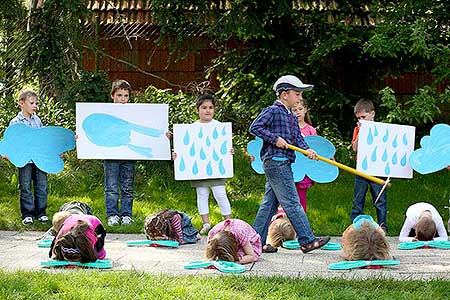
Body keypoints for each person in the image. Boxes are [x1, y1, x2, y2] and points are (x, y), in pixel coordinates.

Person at [249, 75, 330, 253]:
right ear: (285, 94)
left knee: (269, 205)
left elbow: (297, 139)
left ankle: (254, 242)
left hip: (284, 162)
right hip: (275, 162)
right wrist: (274, 138)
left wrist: (308, 150)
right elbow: (255, 127)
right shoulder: (272, 111)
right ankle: (307, 240)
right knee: (292, 203)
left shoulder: (291, 116)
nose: (300, 98)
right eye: (297, 93)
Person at [174, 94, 232, 235]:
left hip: (217, 168)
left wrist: (229, 151)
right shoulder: (191, 129)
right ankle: (206, 224)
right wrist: (178, 155)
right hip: (199, 169)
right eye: (204, 107)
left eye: (211, 107)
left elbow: (223, 146)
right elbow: (185, 148)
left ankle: (228, 223)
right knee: (202, 194)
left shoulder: (220, 127)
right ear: (197, 110)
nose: (208, 110)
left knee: (220, 193)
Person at [8, 89, 48, 225]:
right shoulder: (15, 122)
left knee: (42, 186)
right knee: (25, 186)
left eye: (36, 103)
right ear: (21, 103)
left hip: (39, 159)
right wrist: (9, 154)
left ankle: (41, 212)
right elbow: (11, 141)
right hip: (24, 160)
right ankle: (27, 213)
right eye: (32, 103)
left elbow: (42, 139)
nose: (35, 106)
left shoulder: (37, 120)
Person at [350, 99, 387, 232]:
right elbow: (355, 148)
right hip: (361, 169)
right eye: (359, 118)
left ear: (372, 114)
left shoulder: (382, 129)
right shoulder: (357, 129)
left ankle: (382, 226)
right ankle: (355, 228)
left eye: (364, 117)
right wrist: (360, 133)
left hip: (378, 168)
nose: (361, 120)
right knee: (358, 199)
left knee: (380, 200)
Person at [104, 79, 135, 226]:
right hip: (110, 156)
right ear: (112, 96)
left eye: (126, 96)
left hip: (128, 155)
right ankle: (112, 215)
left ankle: (126, 214)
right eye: (119, 95)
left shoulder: (134, 113)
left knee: (127, 186)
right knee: (111, 187)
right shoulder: (104, 113)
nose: (123, 99)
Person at [291, 100, 317, 212]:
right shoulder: (289, 128)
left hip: (304, 171)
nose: (298, 112)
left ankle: (300, 225)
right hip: (291, 167)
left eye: (300, 109)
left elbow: (317, 148)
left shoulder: (311, 130)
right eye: (294, 110)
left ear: (305, 110)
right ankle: (282, 225)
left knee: (301, 199)